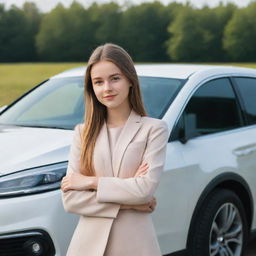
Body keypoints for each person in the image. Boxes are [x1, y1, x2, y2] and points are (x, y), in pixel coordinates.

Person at [61, 43, 169, 256]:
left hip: (136, 244)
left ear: (130, 80)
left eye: (115, 78)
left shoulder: (154, 129)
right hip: (87, 246)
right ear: (92, 88)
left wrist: (91, 182)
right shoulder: (82, 133)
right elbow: (71, 200)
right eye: (98, 82)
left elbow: (144, 190)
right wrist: (130, 204)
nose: (107, 88)